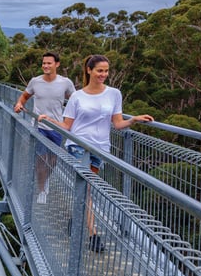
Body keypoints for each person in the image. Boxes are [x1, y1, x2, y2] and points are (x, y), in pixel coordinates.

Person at [38, 54, 153, 252]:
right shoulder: (77, 96)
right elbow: (67, 126)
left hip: (100, 149)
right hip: (78, 146)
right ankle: (93, 235)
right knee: (88, 188)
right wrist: (47, 119)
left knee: (86, 190)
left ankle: (76, 218)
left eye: (106, 71)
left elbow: (117, 123)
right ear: (89, 70)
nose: (104, 74)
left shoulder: (114, 94)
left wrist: (133, 120)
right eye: (100, 70)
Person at [13, 52, 75, 204]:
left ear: (57, 64)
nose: (46, 66)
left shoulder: (65, 83)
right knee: (40, 160)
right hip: (38, 126)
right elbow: (24, 97)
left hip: (56, 127)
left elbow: (75, 101)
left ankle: (46, 181)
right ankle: (42, 190)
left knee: (52, 161)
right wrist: (19, 104)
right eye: (44, 63)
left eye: (49, 63)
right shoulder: (35, 81)